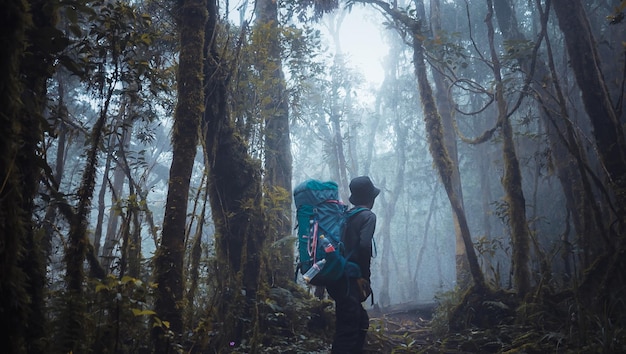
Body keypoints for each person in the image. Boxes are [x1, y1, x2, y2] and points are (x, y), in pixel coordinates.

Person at [326, 176, 380, 353]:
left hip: (337, 278)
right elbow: (364, 246)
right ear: (370, 198)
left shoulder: (346, 216)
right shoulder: (368, 216)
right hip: (350, 280)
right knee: (348, 330)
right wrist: (365, 277)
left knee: (360, 323)